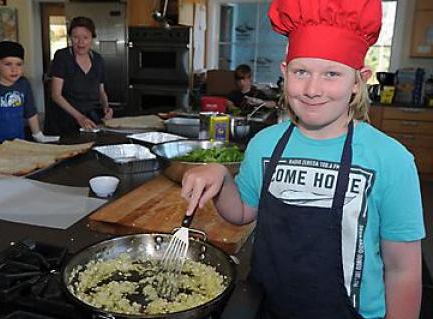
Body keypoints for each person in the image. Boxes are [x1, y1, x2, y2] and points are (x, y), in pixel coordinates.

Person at [181, 1, 425, 318]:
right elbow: (241, 213)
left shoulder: (391, 160)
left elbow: (402, 269)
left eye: (332, 74)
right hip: (268, 308)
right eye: (301, 72)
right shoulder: (265, 144)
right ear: (285, 72)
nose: (312, 89)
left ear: (358, 81)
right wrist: (222, 177)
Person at [0, 41, 58, 150]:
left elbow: (30, 112)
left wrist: (38, 135)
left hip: (19, 144)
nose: (14, 69)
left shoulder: (24, 84)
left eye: (19, 64)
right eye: (8, 64)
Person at [44, 16, 112, 136]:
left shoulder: (98, 59)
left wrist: (106, 108)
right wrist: (79, 117)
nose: (80, 42)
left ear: (92, 38)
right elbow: (56, 95)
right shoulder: (62, 57)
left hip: (89, 120)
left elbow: (101, 91)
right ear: (70, 38)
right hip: (63, 121)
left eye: (85, 37)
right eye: (76, 37)